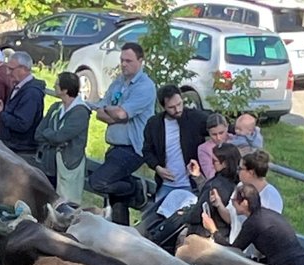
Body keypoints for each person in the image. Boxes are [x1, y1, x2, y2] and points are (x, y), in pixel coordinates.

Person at [86, 41, 156, 226]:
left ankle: (134, 187)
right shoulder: (118, 83)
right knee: (116, 198)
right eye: (122, 60)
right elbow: (101, 114)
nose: (124, 64)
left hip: (132, 148)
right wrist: (114, 112)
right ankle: (120, 230)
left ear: (141, 61)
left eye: (129, 60)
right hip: (114, 146)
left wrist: (113, 112)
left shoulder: (145, 87)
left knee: (98, 181)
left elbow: (121, 113)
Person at [200, 182, 304, 265]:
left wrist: (213, 230)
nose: (232, 204)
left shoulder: (253, 223)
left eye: (233, 201)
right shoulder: (267, 215)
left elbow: (233, 252)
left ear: (244, 203)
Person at [141, 84, 208, 211]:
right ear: (163, 107)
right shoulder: (154, 124)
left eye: (179, 104)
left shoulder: (195, 118)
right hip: (165, 185)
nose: (177, 109)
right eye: (171, 107)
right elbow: (147, 151)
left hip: (191, 184)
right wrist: (157, 167)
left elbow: (217, 126)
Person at [35, 71, 89, 203]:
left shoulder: (80, 112)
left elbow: (60, 136)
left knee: (65, 204)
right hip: (49, 164)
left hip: (67, 165)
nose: (54, 86)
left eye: (57, 84)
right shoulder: (55, 108)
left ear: (65, 90)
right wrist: (53, 137)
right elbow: (38, 133)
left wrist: (49, 134)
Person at [210, 149, 283, 244]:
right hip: (236, 247)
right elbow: (230, 218)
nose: (237, 172)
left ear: (251, 172)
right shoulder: (240, 187)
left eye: (240, 169)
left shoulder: (271, 196)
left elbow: (267, 231)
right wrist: (218, 203)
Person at [182, 141, 240, 240]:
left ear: (225, 163)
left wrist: (185, 215)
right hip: (225, 233)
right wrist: (198, 177)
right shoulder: (237, 182)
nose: (212, 164)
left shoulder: (216, 185)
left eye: (214, 161)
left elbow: (197, 214)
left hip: (205, 234)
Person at [0, 50, 45, 156]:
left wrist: (1, 114)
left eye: (11, 69)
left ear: (24, 69)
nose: (7, 73)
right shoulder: (18, 86)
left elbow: (22, 125)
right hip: (12, 147)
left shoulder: (31, 93)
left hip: (21, 150)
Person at [195, 112, 230, 181]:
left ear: (227, 128)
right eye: (214, 134)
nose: (218, 137)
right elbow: (210, 175)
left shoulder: (236, 140)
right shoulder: (204, 149)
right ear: (208, 132)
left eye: (221, 133)